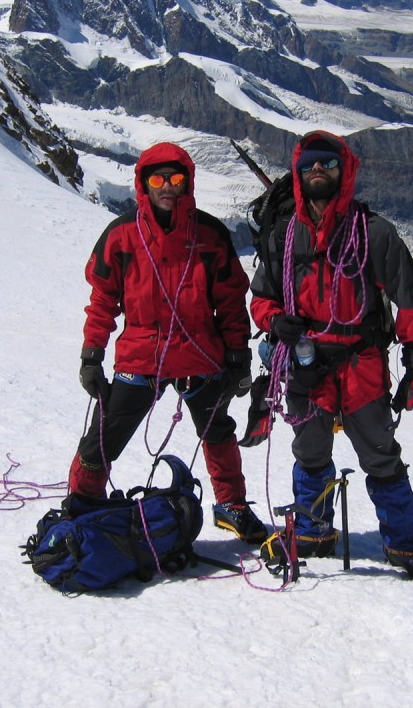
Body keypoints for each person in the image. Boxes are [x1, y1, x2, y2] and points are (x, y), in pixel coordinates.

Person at [249, 130, 413, 584]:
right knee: (310, 450)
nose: (318, 171)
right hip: (306, 364)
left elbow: (412, 301)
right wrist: (276, 321)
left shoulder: (375, 234)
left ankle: (403, 543)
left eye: (328, 164)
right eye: (310, 165)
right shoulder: (284, 235)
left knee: (381, 455)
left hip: (361, 363)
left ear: (344, 172)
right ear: (298, 174)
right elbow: (261, 298)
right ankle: (316, 532)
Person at [68, 141, 268, 544]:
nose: (167, 186)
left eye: (175, 178)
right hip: (143, 351)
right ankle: (82, 501)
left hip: (199, 351)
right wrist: (92, 355)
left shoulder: (210, 234)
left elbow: (230, 301)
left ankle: (232, 504)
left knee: (217, 430)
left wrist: (238, 354)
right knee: (105, 432)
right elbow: (103, 299)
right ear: (144, 182)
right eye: (157, 178)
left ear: (187, 182)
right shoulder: (122, 235)